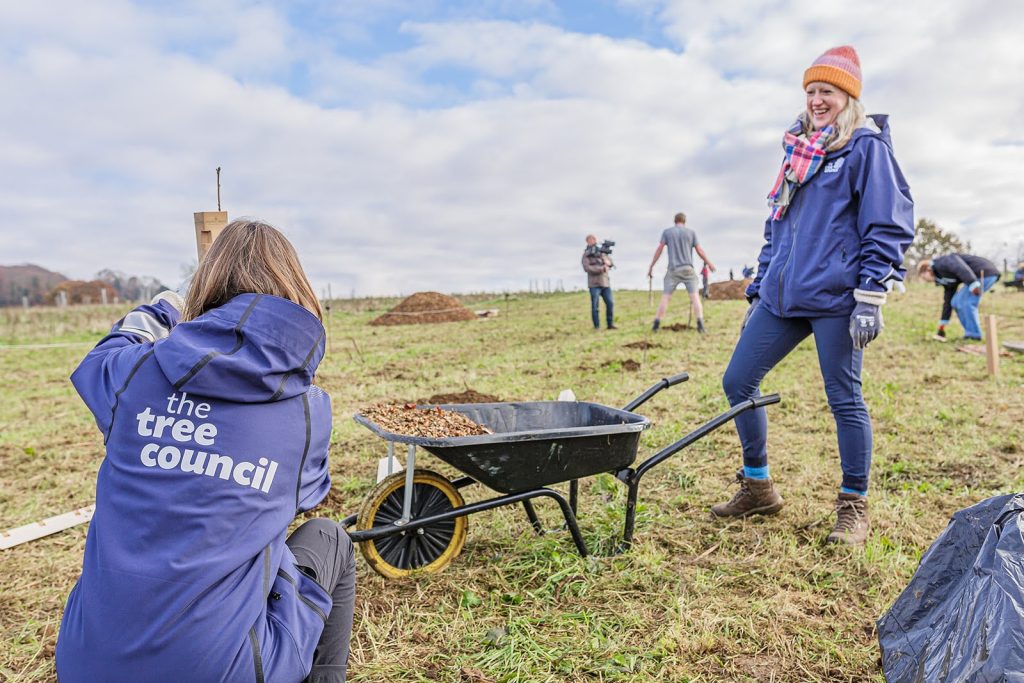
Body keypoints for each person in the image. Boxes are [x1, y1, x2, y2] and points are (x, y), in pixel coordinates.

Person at [56, 220, 356, 683]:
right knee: (329, 537)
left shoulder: (133, 375)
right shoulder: (308, 413)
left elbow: (100, 358)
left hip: (86, 666)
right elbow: (305, 496)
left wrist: (167, 306)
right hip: (218, 671)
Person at [713, 46, 914, 545]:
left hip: (836, 299)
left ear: (848, 97)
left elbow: (888, 224)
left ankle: (854, 505)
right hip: (783, 298)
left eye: (827, 91)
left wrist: (870, 295)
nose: (817, 100)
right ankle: (758, 488)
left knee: (844, 398)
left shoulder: (865, 149)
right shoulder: (798, 152)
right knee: (738, 381)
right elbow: (776, 227)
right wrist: (759, 289)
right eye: (810, 91)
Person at [647, 212, 715, 333]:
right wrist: (709, 263)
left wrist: (651, 267)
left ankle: (656, 325)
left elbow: (659, 249)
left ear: (675, 221)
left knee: (665, 298)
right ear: (684, 221)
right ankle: (701, 326)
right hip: (688, 269)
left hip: (672, 270)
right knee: (695, 297)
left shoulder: (667, 232)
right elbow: (699, 250)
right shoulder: (691, 233)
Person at [918, 254, 1000, 340]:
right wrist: (943, 323)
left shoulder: (941, 262)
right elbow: (948, 300)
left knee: (965, 302)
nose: (925, 280)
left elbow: (958, 266)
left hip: (983, 273)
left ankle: (974, 335)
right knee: (955, 302)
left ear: (927, 270)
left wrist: (973, 283)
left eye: (924, 276)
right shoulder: (944, 277)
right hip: (976, 277)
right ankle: (971, 333)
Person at [582, 234, 617, 329]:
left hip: (605, 283)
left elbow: (611, 263)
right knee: (595, 306)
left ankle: (610, 324)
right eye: (590, 240)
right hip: (594, 284)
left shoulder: (602, 252)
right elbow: (587, 268)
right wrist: (601, 269)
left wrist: (607, 262)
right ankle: (597, 326)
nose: (592, 241)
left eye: (593, 239)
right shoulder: (586, 254)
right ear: (587, 241)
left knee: (610, 303)